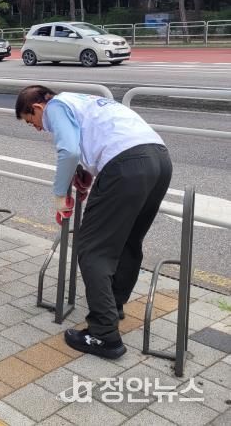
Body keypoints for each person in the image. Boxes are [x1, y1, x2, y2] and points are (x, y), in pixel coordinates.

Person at [15, 85, 172, 359]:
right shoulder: (85, 101)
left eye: (32, 121)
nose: (38, 128)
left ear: (38, 107)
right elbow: (98, 139)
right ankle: (113, 305)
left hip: (126, 166)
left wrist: (60, 195)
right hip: (159, 160)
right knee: (128, 242)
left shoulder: (56, 106)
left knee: (92, 250)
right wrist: (87, 173)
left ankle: (104, 334)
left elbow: (68, 151)